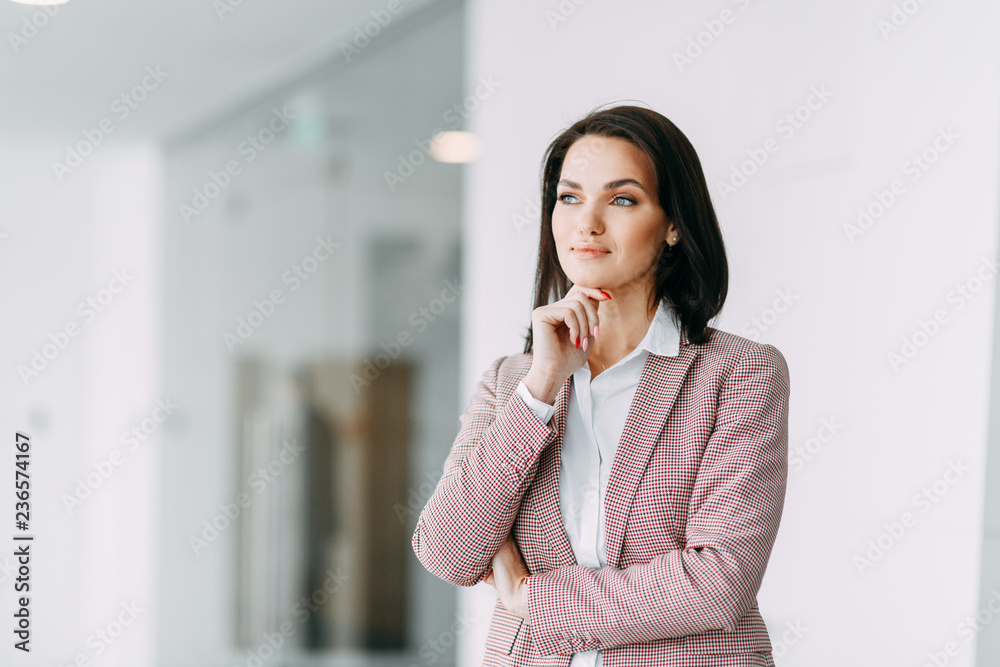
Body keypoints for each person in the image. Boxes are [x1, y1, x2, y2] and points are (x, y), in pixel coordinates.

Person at [411, 103, 791, 667]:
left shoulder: (739, 373)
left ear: (672, 225)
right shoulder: (511, 382)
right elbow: (449, 550)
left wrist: (530, 599)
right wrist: (540, 387)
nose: (586, 222)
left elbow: (715, 582)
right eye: (569, 197)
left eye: (622, 199)